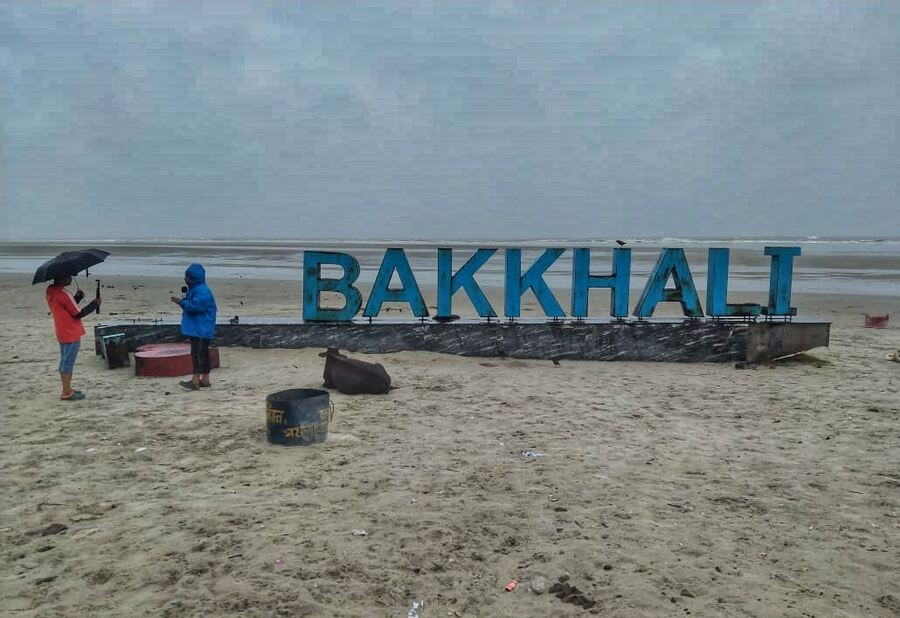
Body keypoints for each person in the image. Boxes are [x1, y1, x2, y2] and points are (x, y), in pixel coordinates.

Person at [46, 276, 101, 400]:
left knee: (64, 359)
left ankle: (66, 389)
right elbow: (77, 314)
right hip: (71, 331)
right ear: (62, 277)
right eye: (68, 275)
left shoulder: (50, 290)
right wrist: (94, 304)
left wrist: (77, 298)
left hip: (61, 329)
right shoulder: (64, 293)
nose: (71, 278)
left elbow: (65, 307)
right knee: (68, 362)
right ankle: (66, 391)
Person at [170, 263, 217, 391]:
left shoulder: (202, 290)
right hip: (202, 327)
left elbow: (195, 307)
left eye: (187, 277)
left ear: (193, 278)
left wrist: (181, 302)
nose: (185, 279)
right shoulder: (198, 289)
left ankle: (195, 380)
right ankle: (205, 379)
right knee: (203, 353)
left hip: (201, 328)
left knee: (198, 353)